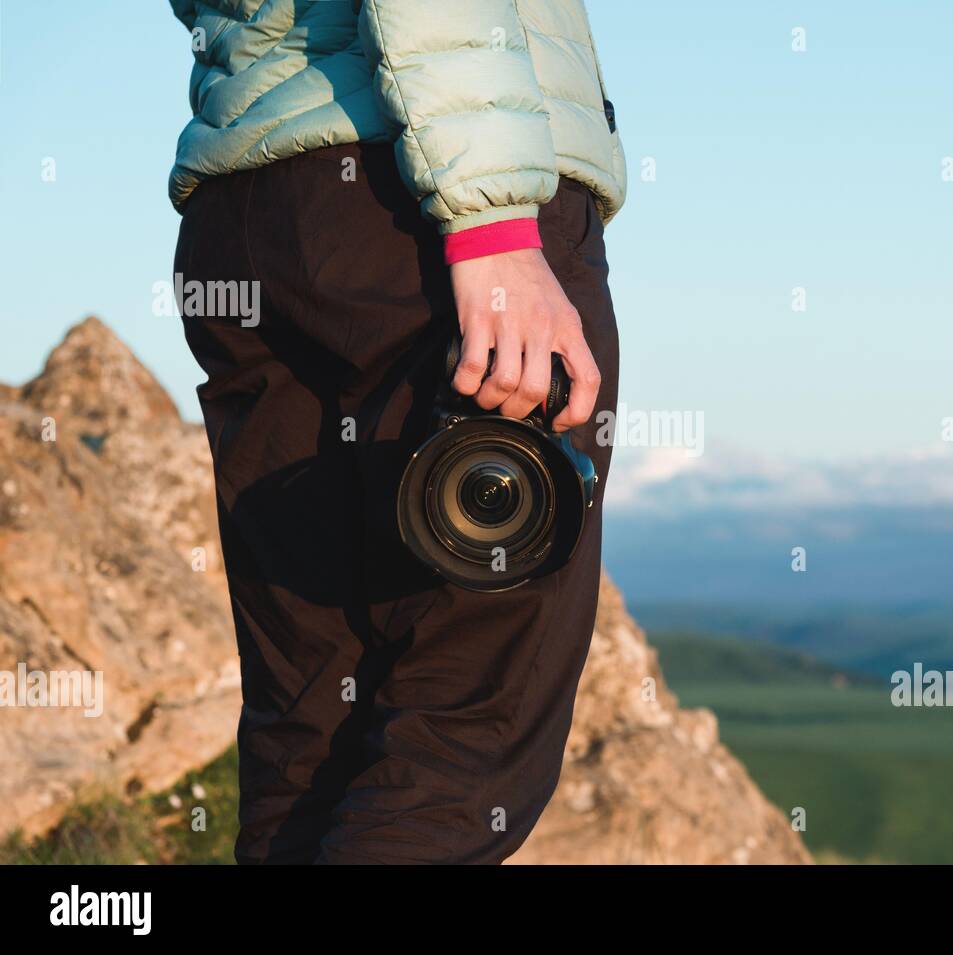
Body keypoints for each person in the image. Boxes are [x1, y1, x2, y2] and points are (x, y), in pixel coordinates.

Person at [167, 0, 625, 864]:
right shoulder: (467, 206)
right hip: (425, 204)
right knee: (462, 723)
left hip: (249, 207)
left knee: (309, 729)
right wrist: (489, 220)